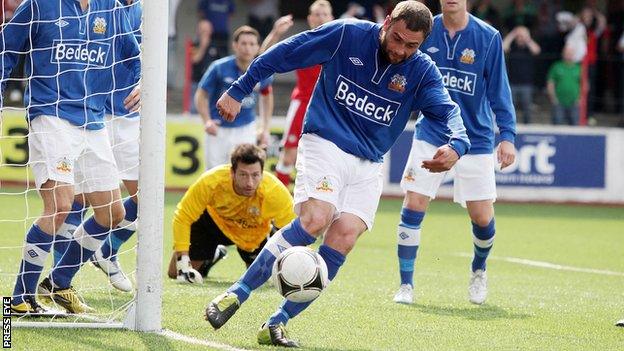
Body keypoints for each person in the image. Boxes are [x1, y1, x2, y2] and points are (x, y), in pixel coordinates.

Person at [205, 1, 470, 347]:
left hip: (371, 161)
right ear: (387, 22)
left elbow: (447, 109)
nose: (401, 50)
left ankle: (277, 322)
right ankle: (236, 294)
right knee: (316, 218)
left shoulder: (421, 70)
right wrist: (241, 88)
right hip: (325, 141)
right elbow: (288, 51)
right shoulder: (348, 33)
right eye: (398, 39)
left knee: (344, 237)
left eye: (412, 46)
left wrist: (458, 143)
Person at [1, 0, 141, 315]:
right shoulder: (38, 4)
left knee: (112, 214)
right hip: (50, 113)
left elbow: (135, 55)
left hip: (94, 118)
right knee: (60, 205)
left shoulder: (111, 7)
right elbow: (4, 51)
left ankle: (58, 282)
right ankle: (20, 298)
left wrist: (143, 81)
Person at [393, 0, 516, 306]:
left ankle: (479, 269)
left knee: (483, 218)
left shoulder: (487, 36)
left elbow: (499, 91)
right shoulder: (424, 28)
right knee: (414, 203)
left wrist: (508, 136)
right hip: (432, 133)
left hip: (476, 139)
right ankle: (406, 285)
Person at [168, 143, 296, 283]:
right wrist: (182, 262)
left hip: (251, 231)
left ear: (262, 172)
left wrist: (294, 262)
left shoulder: (274, 191)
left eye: (255, 175)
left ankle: (264, 239)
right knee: (175, 273)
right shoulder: (212, 181)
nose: (250, 183)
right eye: (243, 175)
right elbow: (183, 216)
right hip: (212, 224)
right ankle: (211, 257)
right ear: (232, 172)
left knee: (260, 279)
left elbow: (293, 229)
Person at [87, 0, 143, 293]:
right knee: (79, 197)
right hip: (94, 112)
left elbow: (142, 58)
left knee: (145, 196)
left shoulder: (149, 12)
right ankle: (60, 281)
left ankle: (106, 251)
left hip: (130, 116)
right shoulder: (98, 6)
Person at [260, 1, 334, 187]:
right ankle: (280, 202)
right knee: (288, 157)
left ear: (331, 18)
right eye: (317, 14)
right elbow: (264, 56)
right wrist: (276, 33)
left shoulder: (340, 43)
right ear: (309, 18)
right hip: (302, 104)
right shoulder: (302, 41)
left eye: (324, 14)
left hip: (330, 108)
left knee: (326, 159)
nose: (321, 18)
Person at [194, 25, 274, 170]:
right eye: (243, 43)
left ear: (257, 47)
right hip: (218, 129)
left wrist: (265, 128)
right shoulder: (218, 67)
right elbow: (201, 94)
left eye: (251, 44)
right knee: (214, 174)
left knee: (243, 171)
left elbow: (267, 97)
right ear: (235, 45)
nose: (247, 48)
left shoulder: (262, 71)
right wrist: (207, 121)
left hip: (246, 129)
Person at [503, 26, 541, 124]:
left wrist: (527, 38)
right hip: (512, 83)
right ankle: (511, 126)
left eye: (522, 36)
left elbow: (537, 50)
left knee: (527, 108)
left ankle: (527, 125)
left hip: (526, 83)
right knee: (510, 107)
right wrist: (513, 34)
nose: (520, 38)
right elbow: (503, 47)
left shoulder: (529, 48)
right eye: (519, 36)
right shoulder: (513, 47)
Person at [547, 45, 581, 125]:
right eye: (566, 53)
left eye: (570, 53)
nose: (568, 55)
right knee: (557, 125)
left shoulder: (579, 68)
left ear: (574, 55)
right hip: (558, 102)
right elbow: (550, 83)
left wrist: (580, 99)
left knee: (574, 126)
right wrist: (553, 98)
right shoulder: (556, 66)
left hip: (574, 102)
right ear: (563, 54)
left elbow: (585, 85)